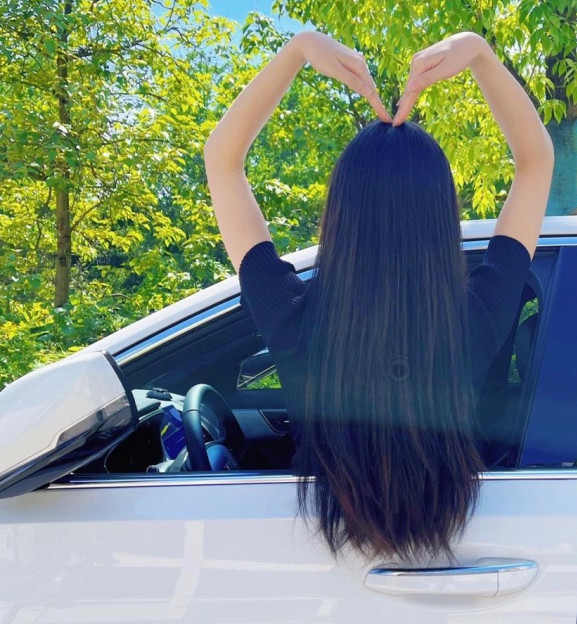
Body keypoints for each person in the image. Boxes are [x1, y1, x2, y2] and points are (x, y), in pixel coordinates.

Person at [204, 30, 554, 562]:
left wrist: (299, 51)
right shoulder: (475, 318)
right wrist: (480, 54)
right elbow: (536, 160)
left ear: (342, 217)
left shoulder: (297, 322)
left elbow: (222, 159)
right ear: (442, 218)